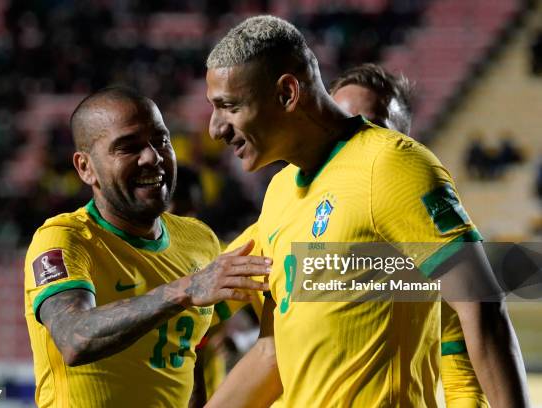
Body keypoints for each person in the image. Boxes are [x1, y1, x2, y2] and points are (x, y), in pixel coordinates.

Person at [204, 16, 529, 407]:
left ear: (288, 94)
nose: (214, 128)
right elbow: (272, 352)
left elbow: (480, 309)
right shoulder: (281, 192)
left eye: (229, 107)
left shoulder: (392, 166)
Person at [23, 86, 272, 408]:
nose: (152, 156)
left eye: (161, 140)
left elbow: (196, 348)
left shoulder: (199, 239)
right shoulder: (66, 238)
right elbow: (73, 338)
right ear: (86, 167)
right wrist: (186, 289)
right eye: (127, 147)